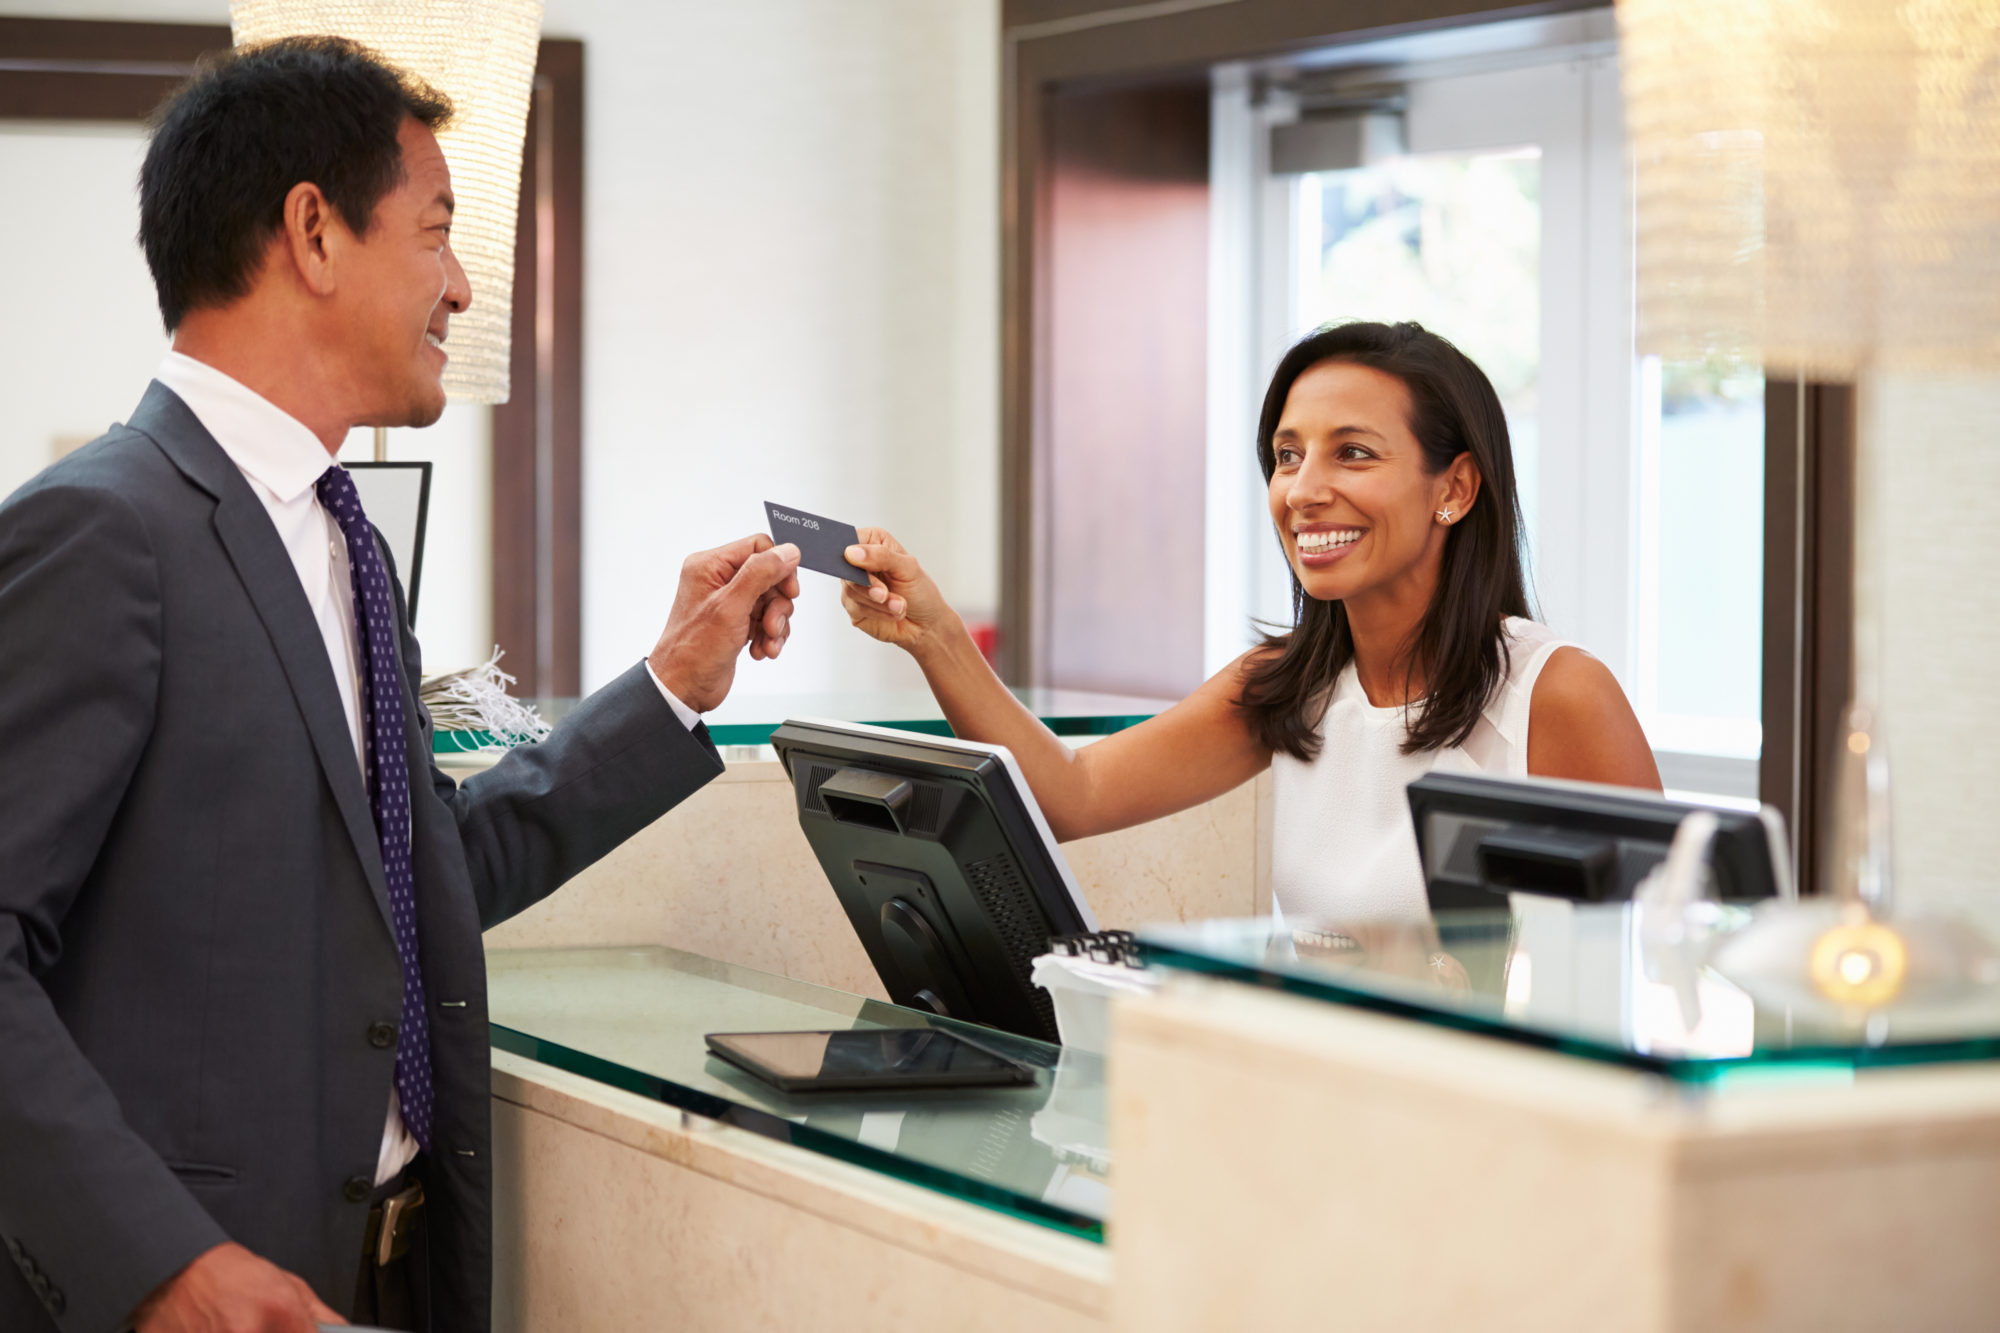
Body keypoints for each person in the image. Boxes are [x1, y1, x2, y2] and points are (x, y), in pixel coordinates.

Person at [0, 37, 800, 1333]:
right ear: (313, 233)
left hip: (386, 1270)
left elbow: (419, 887)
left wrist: (669, 686)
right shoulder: (101, 533)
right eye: (436, 233)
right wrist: (159, 1265)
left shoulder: (343, 539)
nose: (466, 287)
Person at [841, 320, 1661, 922]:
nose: (1303, 490)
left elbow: (1660, 960)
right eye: (1287, 454)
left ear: (1454, 489)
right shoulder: (1282, 688)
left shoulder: (1556, 696)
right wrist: (934, 633)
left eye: (1355, 452)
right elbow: (1069, 796)